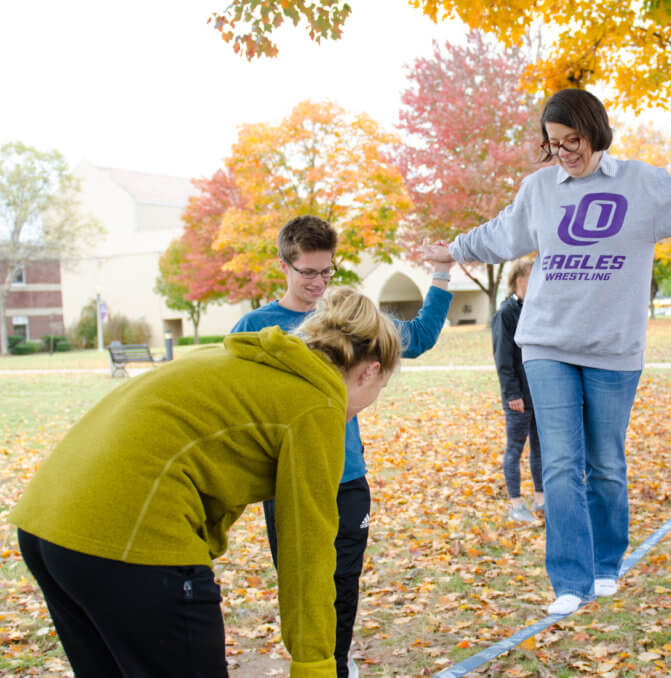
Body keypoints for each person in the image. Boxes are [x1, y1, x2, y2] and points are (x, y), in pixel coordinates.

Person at [424, 87, 671, 615]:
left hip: (612, 348)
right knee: (558, 464)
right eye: (554, 144)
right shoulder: (539, 189)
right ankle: (568, 579)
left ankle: (605, 563)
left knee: (605, 463)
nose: (563, 152)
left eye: (572, 140)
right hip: (546, 344)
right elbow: (501, 234)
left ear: (595, 131)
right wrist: (455, 248)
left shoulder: (640, 184)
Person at [11, 287, 401, 678]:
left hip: (47, 528)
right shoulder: (317, 402)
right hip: (129, 536)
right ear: (369, 370)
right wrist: (316, 664)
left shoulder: (242, 360)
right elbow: (308, 547)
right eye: (378, 390)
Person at [232, 215, 452, 677]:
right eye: (307, 271)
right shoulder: (256, 326)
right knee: (301, 581)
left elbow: (423, 334)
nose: (317, 282)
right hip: (289, 481)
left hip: (347, 477)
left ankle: (336, 659)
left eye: (326, 271)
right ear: (284, 266)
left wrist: (441, 273)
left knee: (343, 582)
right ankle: (312, 660)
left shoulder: (350, 319)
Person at [492, 258, 543, 524]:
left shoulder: (536, 309)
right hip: (518, 397)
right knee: (515, 449)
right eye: (531, 275)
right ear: (519, 280)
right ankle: (515, 504)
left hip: (539, 393)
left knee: (540, 448)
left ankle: (541, 499)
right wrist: (512, 394)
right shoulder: (506, 313)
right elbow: (503, 359)